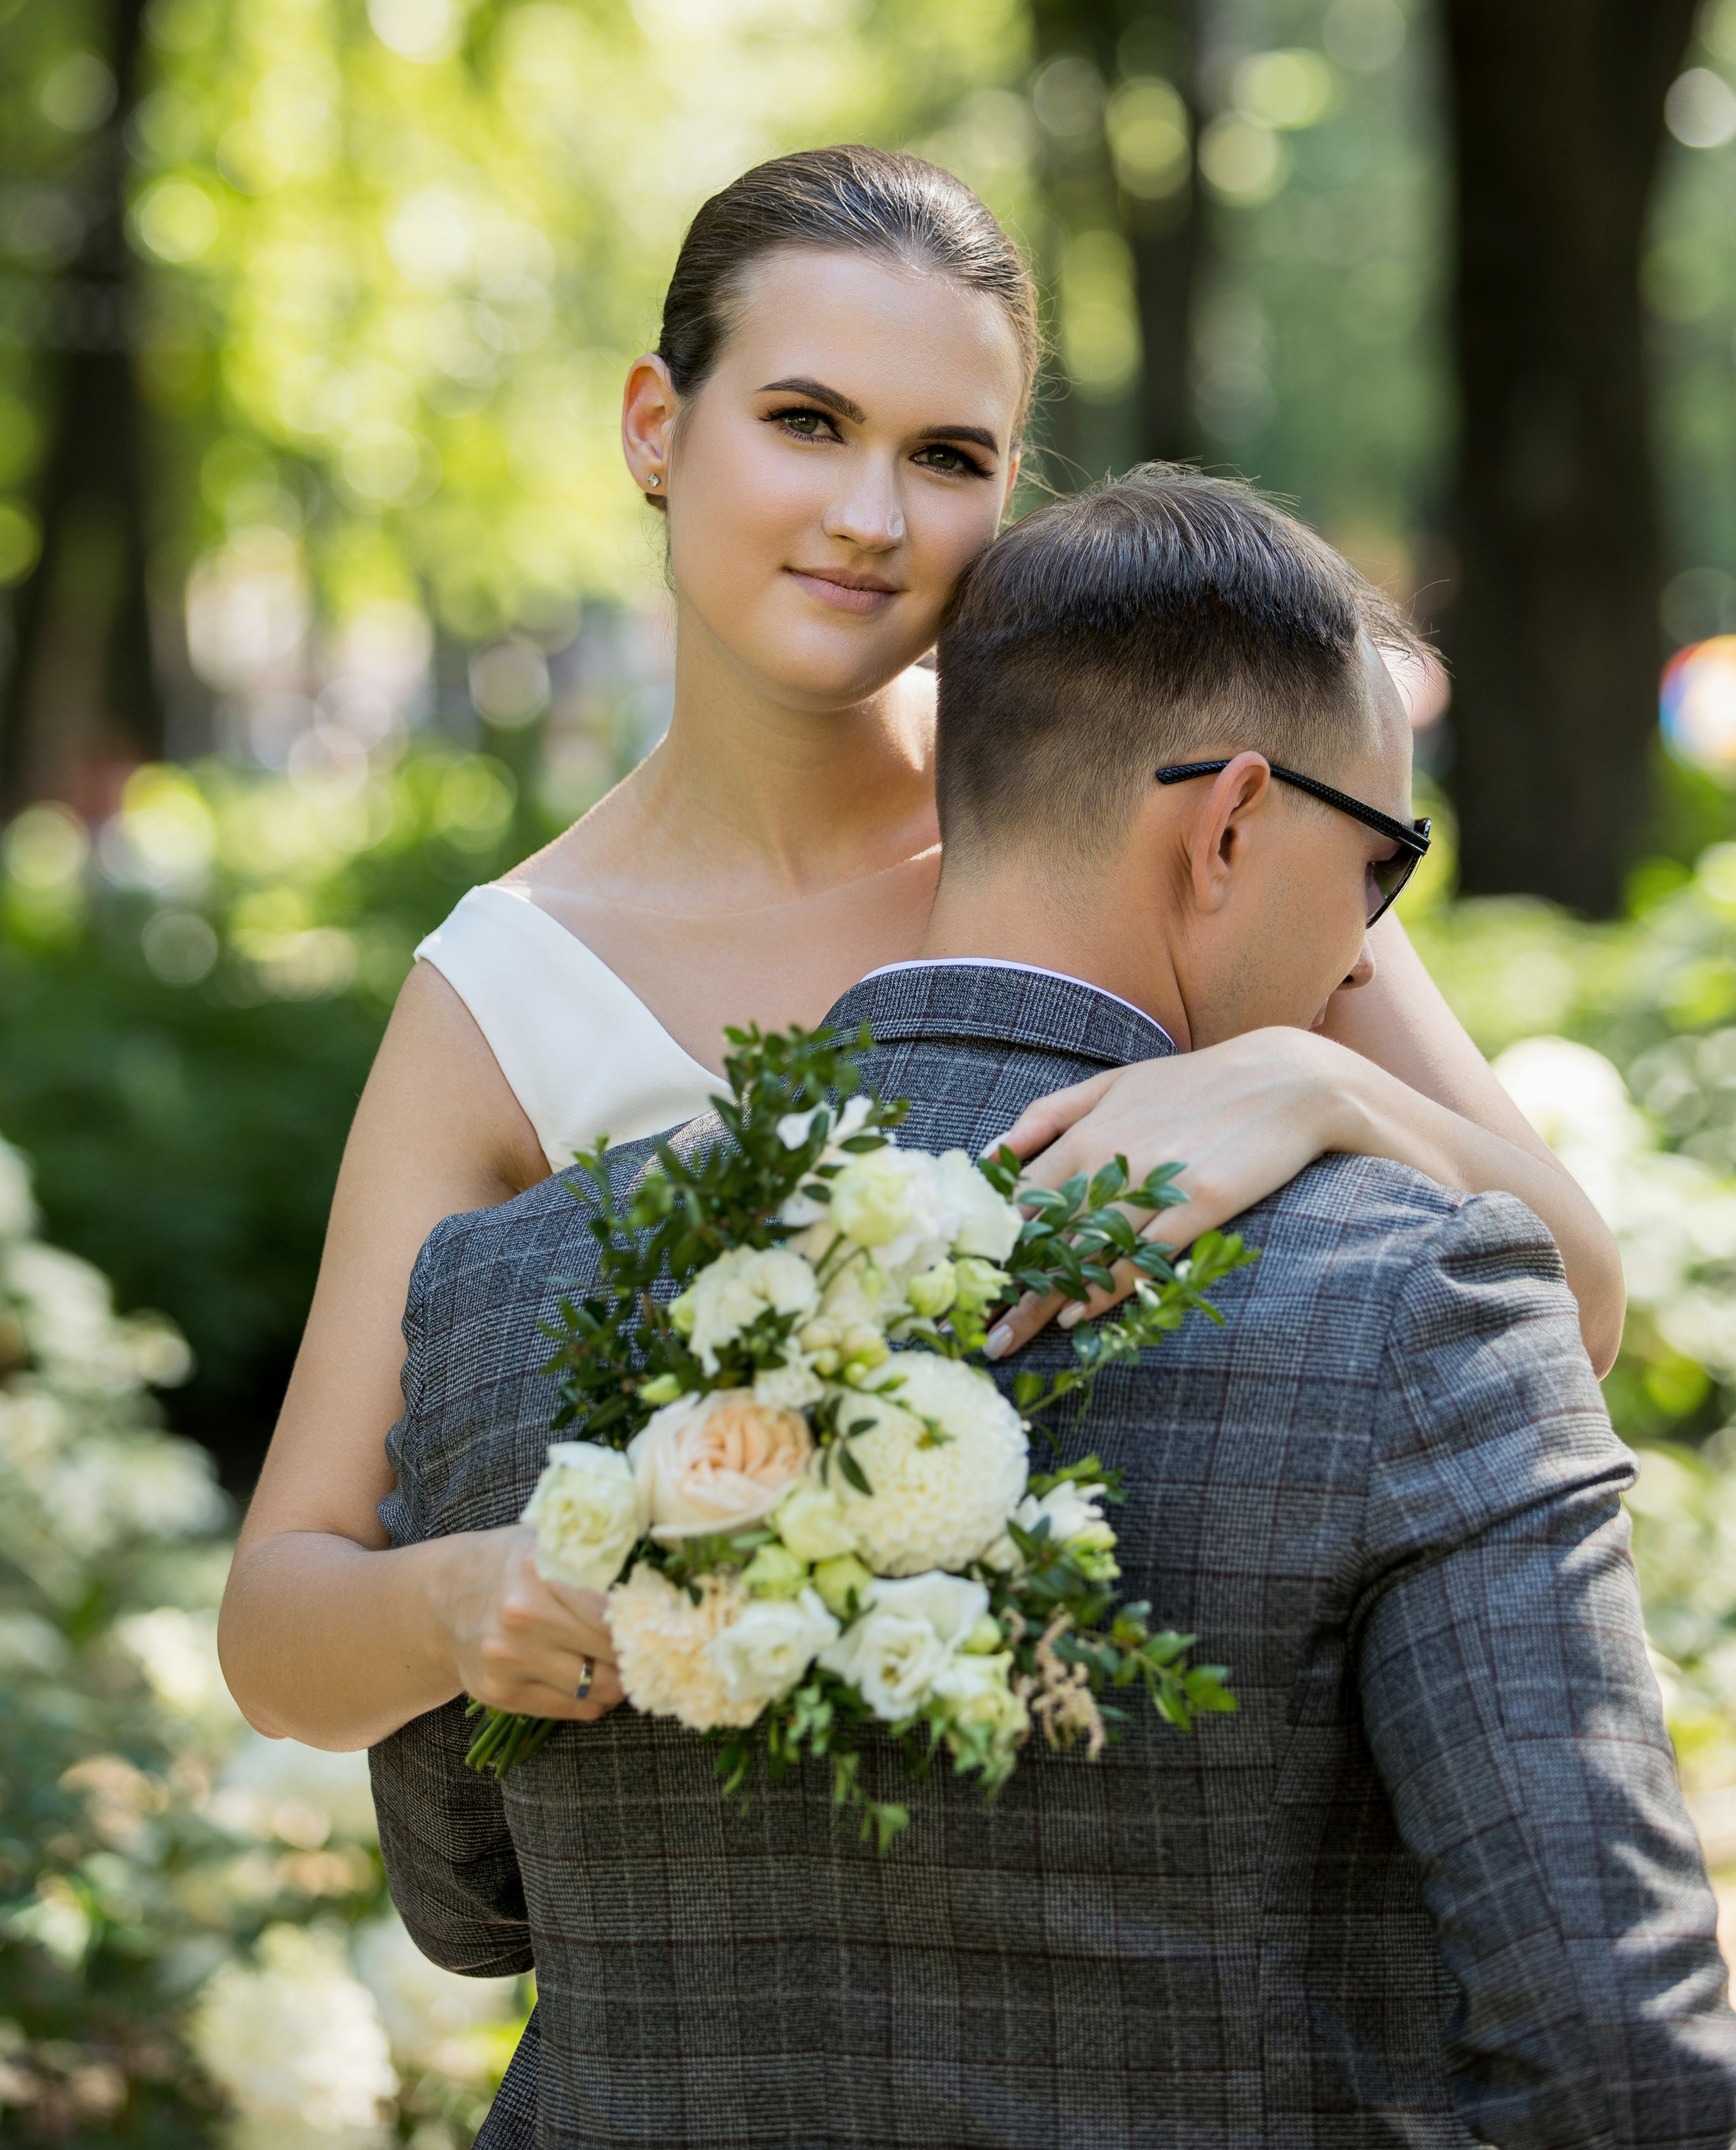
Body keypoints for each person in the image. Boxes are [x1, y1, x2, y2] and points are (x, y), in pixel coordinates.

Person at [370, 468, 1734, 2150]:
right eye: (1379, 872)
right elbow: (1613, 2065)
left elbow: (466, 1906)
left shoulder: (514, 1287)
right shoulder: (1412, 1297)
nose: (1361, 960)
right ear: (1229, 825)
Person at [218, 146, 1621, 1757]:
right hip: (744, 1855)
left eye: (946, 456)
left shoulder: (1148, 797)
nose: (870, 519)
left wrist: (1324, 1089)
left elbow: (1573, 1305)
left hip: (1210, 1789)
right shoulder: (512, 991)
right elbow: (276, 1627)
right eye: (805, 422)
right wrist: (460, 1597)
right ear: (656, 427)